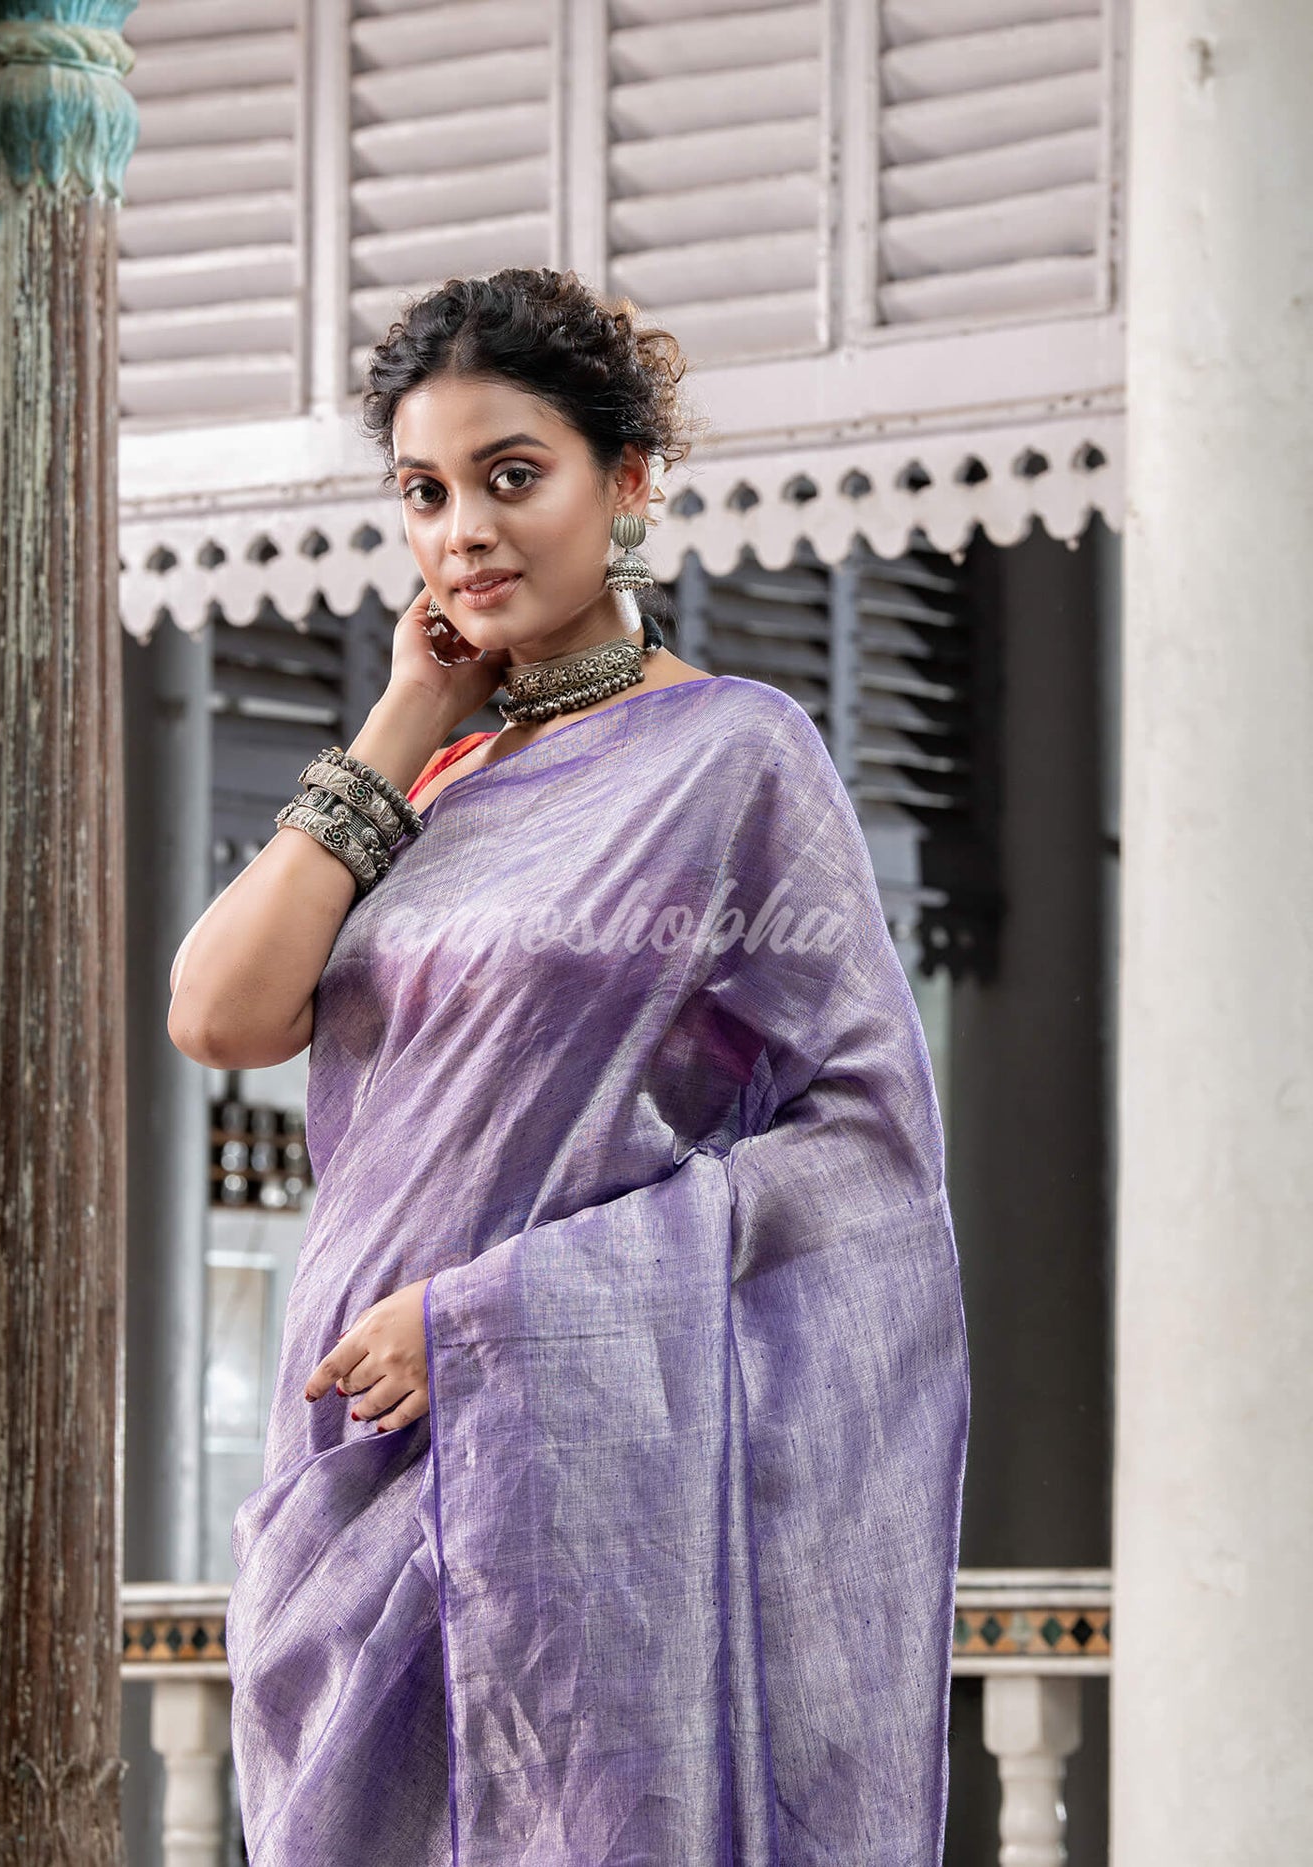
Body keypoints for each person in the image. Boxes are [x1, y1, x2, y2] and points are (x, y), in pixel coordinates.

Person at [167, 267, 970, 1866]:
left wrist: (492, 1316)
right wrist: (407, 713)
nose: (463, 531)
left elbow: (869, 1142)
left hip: (575, 1453)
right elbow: (220, 1015)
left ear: (630, 481)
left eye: (511, 476)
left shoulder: (735, 755)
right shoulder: (427, 784)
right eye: (425, 492)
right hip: (349, 1452)